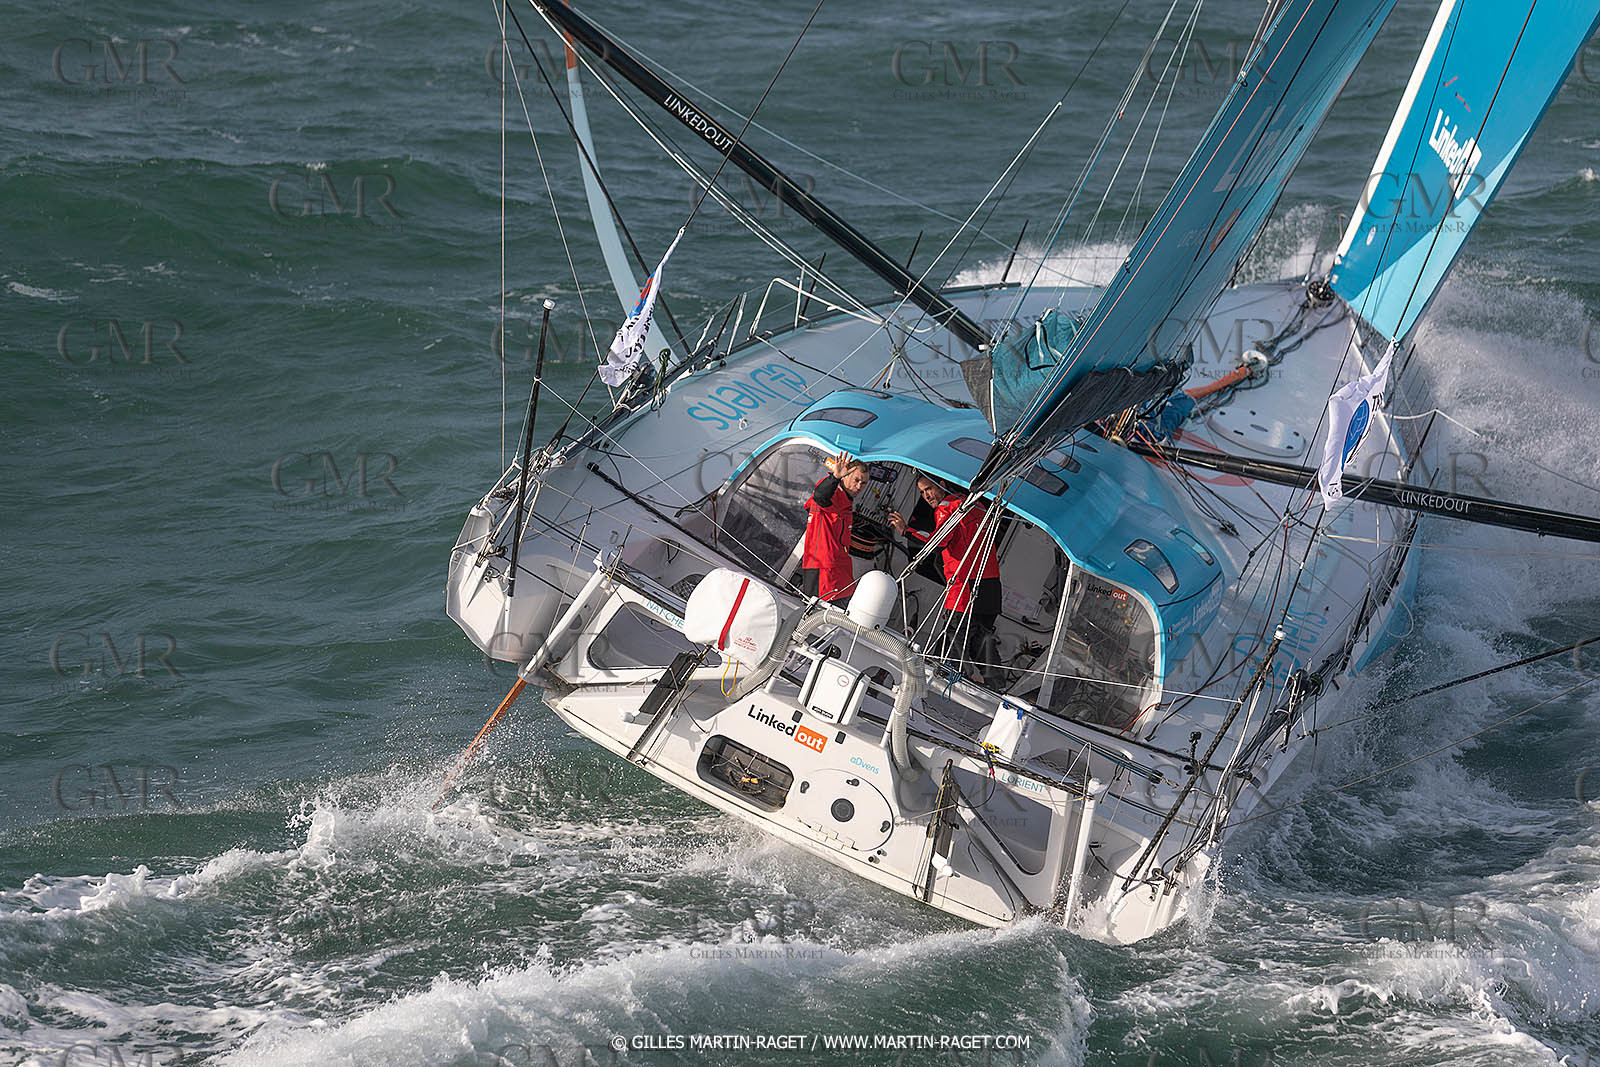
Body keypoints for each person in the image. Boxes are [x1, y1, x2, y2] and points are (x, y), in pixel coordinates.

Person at [889, 475, 1002, 677]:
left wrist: (906, 530)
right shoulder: (976, 505)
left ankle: (944, 679)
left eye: (929, 489)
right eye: (922, 492)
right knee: (981, 639)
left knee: (954, 636)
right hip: (991, 587)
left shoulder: (949, 508)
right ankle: (995, 683)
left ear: (942, 485)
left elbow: (937, 542)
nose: (926, 496)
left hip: (966, 585)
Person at [801, 451, 869, 604]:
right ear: (844, 476)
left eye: (863, 483)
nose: (859, 486)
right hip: (824, 570)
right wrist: (835, 477)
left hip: (842, 573)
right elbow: (820, 496)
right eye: (856, 480)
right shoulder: (833, 494)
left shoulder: (847, 503)